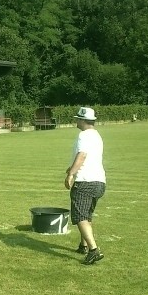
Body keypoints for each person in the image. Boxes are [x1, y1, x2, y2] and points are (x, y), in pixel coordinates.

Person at [65, 107, 106, 264]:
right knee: (87, 214)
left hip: (85, 181)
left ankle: (94, 250)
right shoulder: (97, 136)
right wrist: (72, 168)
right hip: (99, 181)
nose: (76, 121)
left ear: (82, 120)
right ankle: (83, 245)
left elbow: (82, 155)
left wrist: (71, 174)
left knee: (80, 216)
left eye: (77, 119)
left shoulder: (84, 135)